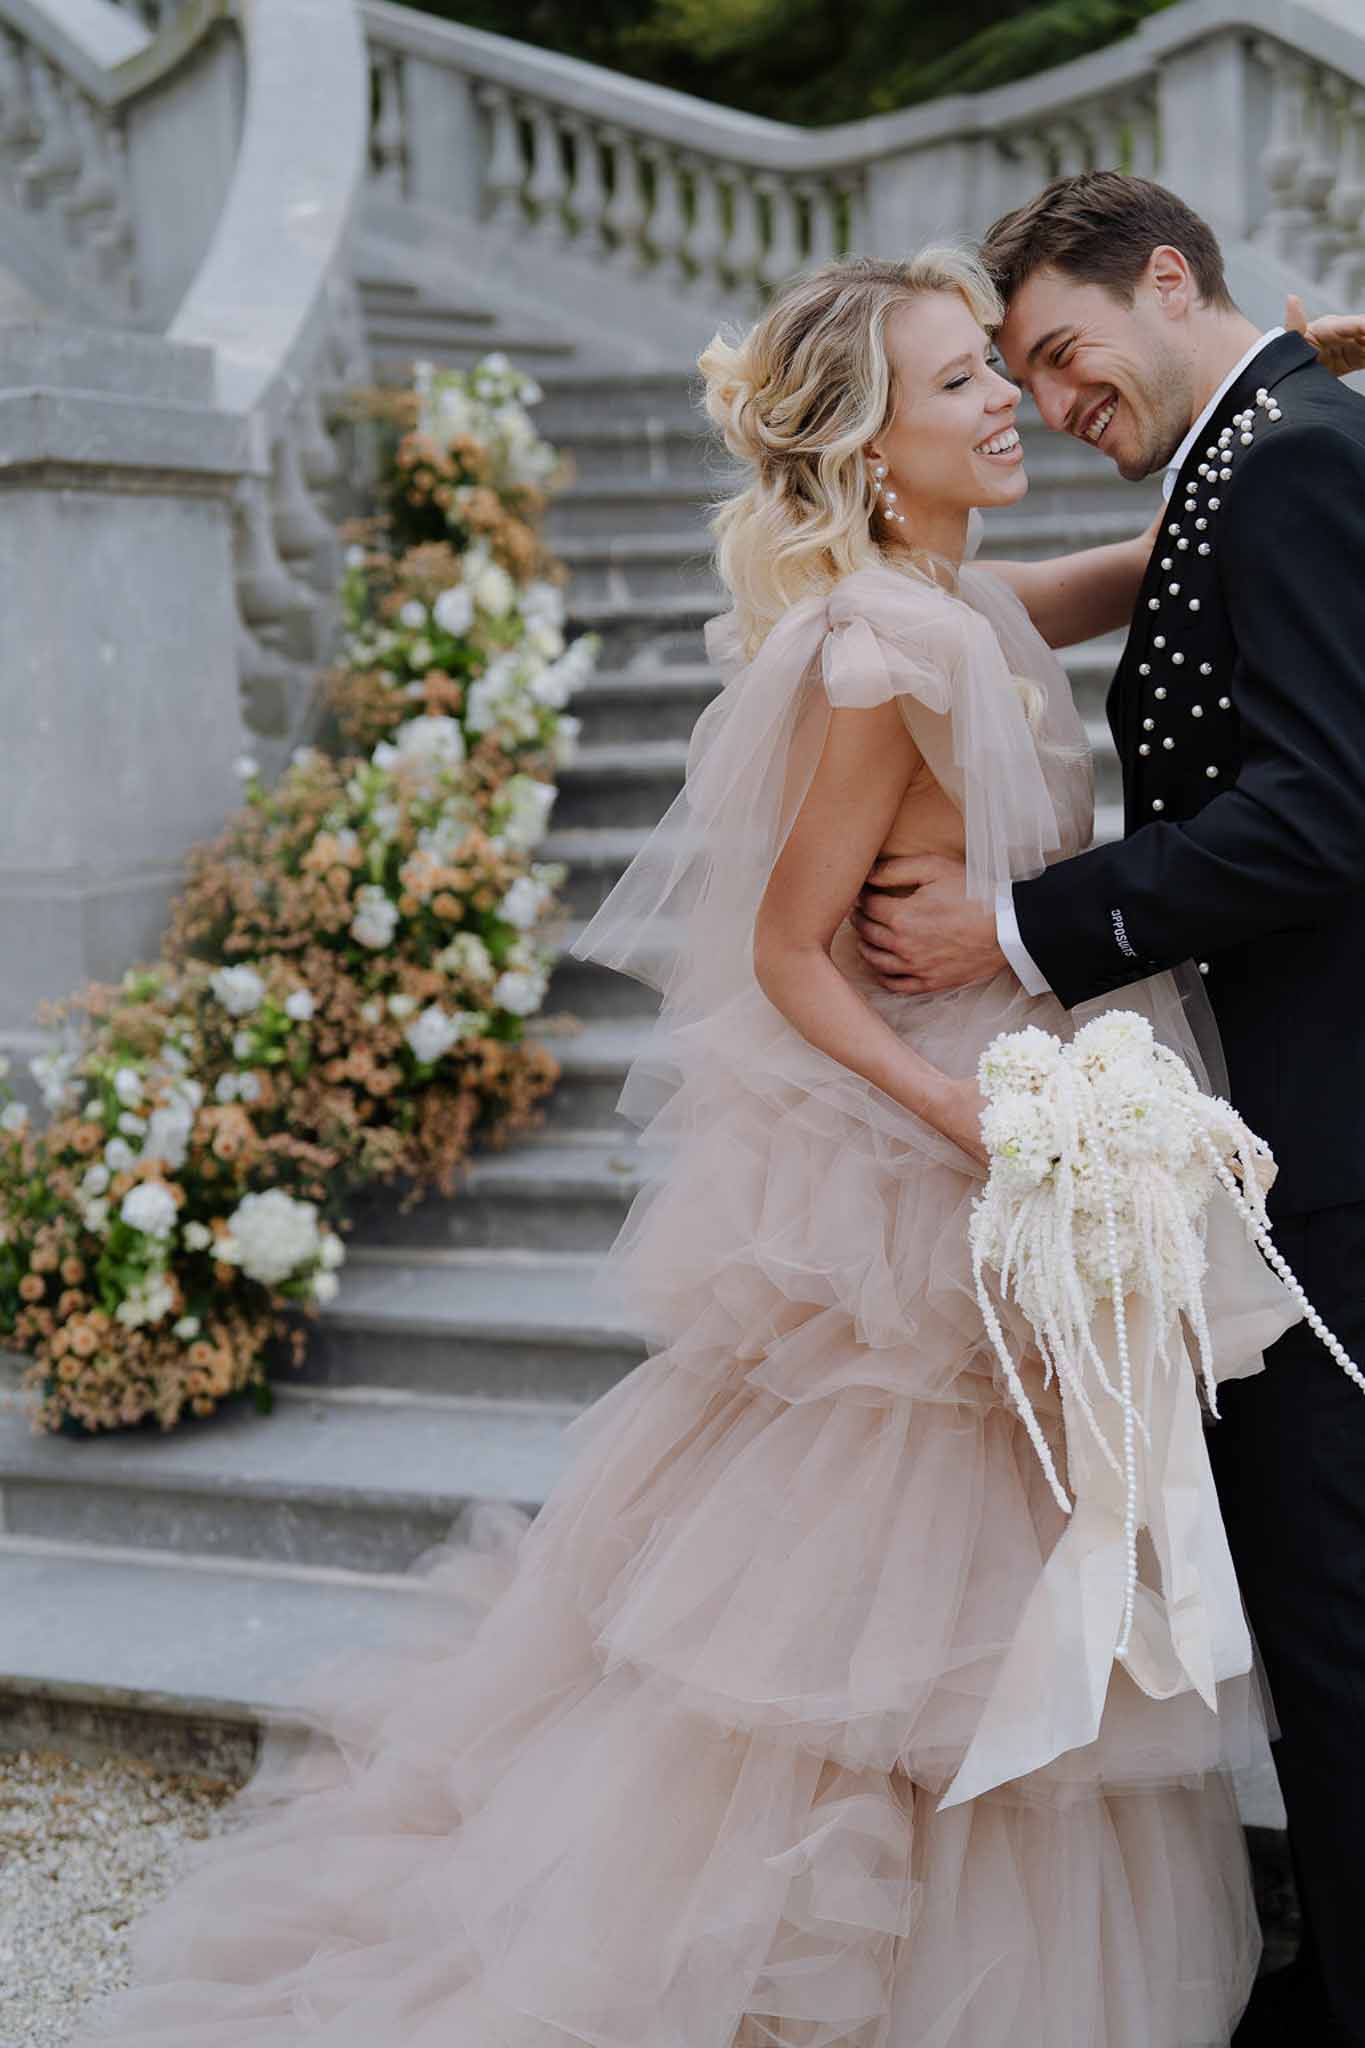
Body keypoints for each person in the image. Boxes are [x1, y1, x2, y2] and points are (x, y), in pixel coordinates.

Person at [74, 249, 1299, 2048]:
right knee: (873, 1641)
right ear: (876, 450)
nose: (1006, 404)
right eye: (959, 382)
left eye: (998, 369)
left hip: (1034, 1153)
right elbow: (790, 956)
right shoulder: (878, 652)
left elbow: (1093, 576)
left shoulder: (959, 601)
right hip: (938, 1164)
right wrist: (971, 1114)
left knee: (1025, 1613)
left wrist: (1244, 433)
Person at [850, 174, 1365, 2048]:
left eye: (1063, 354)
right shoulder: (1255, 445)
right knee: (1315, 1599)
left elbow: (1319, 811)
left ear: (1167, 278)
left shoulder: (1289, 459)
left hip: (1324, 1133)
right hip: (1258, 1125)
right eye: (1017, 378)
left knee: (1332, 1597)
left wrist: (1010, 923)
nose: (1055, 402)